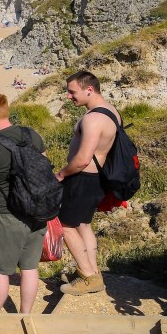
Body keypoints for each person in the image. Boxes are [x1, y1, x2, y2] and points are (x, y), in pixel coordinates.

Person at [0, 93, 47, 314]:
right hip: (36, 212)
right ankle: (25, 316)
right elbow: (44, 161)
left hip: (6, 214)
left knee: (0, 272)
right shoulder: (30, 134)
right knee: (30, 268)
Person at [56, 71, 117, 295]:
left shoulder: (93, 118)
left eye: (72, 92)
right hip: (96, 179)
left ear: (89, 90)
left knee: (66, 226)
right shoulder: (111, 111)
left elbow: (82, 160)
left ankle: (88, 276)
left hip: (83, 179)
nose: (69, 96)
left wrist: (61, 174)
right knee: (83, 224)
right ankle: (93, 271)